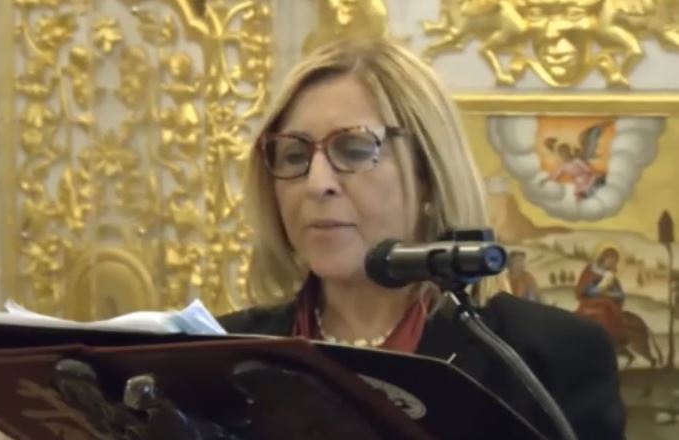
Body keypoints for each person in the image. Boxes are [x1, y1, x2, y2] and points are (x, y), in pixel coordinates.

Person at [219, 37, 625, 439]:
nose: (316, 183)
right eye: (294, 155)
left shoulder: (546, 355)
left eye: (355, 150)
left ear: (428, 175)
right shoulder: (219, 355)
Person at [575, 243, 627, 346]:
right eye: (610, 261)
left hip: (607, 303)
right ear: (603, 258)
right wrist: (598, 291)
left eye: (614, 262)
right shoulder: (590, 271)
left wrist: (611, 294)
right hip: (590, 303)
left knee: (609, 312)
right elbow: (584, 290)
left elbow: (620, 295)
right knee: (601, 314)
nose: (612, 264)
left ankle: (612, 341)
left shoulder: (611, 277)